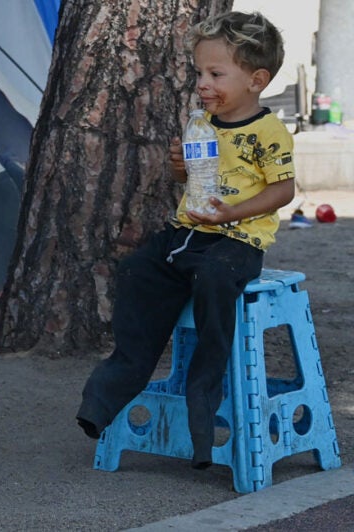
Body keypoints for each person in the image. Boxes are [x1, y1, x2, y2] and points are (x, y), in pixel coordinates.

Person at [76, 11, 295, 469]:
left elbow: (283, 190)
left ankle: (203, 396)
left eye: (216, 74)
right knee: (136, 268)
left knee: (215, 278)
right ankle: (113, 387)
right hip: (188, 233)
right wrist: (180, 165)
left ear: (256, 80)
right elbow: (193, 180)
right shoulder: (203, 124)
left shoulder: (268, 132)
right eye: (199, 73)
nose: (202, 83)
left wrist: (234, 211)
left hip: (236, 242)